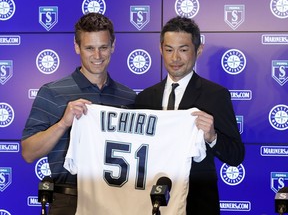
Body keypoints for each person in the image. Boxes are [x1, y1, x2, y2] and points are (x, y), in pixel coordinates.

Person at [21, 12, 136, 215]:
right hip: (69, 200)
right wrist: (63, 124)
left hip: (120, 200)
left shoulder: (128, 97)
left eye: (103, 47)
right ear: (77, 47)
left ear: (113, 46)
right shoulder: (52, 92)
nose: (97, 56)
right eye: (89, 48)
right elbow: (28, 153)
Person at [134, 16, 245, 215]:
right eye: (169, 50)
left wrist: (212, 137)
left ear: (198, 50)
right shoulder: (145, 98)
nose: (175, 58)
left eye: (183, 50)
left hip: (198, 203)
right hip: (150, 203)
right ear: (160, 50)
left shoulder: (216, 95)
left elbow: (236, 155)